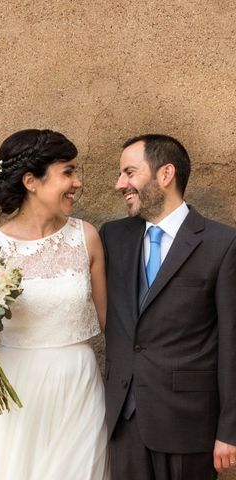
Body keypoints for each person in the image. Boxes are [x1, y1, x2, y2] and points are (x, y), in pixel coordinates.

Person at [0, 129, 109, 479]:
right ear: (31, 181)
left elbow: (111, 324)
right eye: (67, 172)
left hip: (78, 385)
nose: (78, 182)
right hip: (16, 387)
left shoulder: (86, 238)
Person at [100, 134, 236, 479]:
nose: (120, 184)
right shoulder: (112, 237)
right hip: (125, 420)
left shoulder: (223, 244)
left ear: (165, 174)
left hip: (189, 423)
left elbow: (233, 343)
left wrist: (229, 430)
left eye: (129, 173)